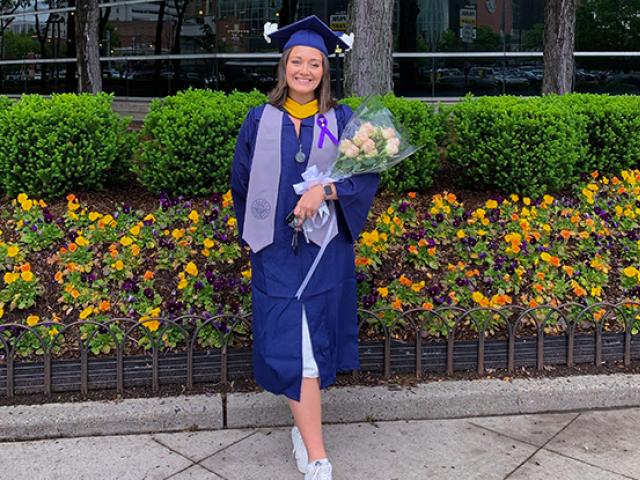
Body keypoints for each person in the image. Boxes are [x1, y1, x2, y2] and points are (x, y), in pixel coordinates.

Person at [230, 15, 379, 479]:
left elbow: (364, 173)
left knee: (309, 345)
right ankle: (313, 445)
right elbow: (240, 181)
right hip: (275, 250)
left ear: (324, 71)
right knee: (290, 346)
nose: (305, 71)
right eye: (297, 61)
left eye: (314, 63)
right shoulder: (261, 118)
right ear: (285, 66)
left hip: (323, 249)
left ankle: (312, 446)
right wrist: (257, 232)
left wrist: (326, 192)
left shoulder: (340, 119)